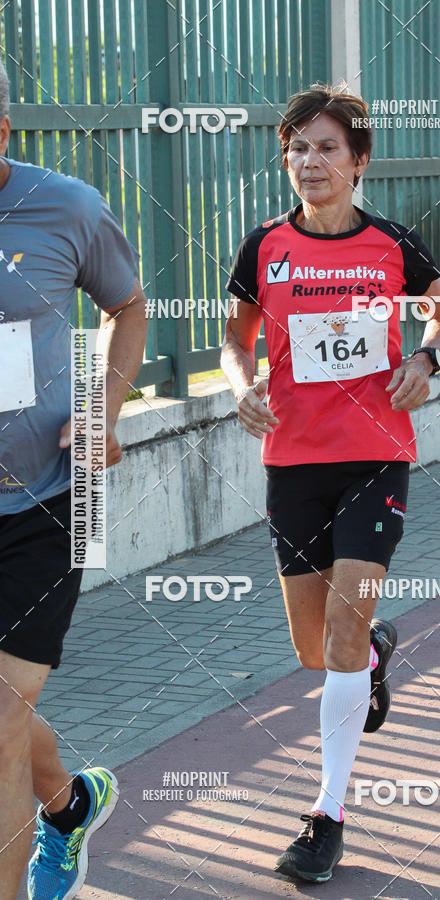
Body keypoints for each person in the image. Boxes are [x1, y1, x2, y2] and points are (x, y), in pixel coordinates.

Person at [221, 82, 440, 883]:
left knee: (344, 636)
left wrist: (428, 356)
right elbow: (235, 340)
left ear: (359, 161)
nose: (308, 161)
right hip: (293, 463)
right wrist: (238, 385)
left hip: (375, 455)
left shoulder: (394, 243)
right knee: (315, 651)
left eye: (326, 147)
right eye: (296, 147)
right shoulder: (261, 247)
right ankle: (374, 657)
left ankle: (326, 814)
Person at [0, 61, 148, 899]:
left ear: (6, 133)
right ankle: (69, 807)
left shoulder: (67, 206)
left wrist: (106, 408)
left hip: (47, 499)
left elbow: (128, 306)